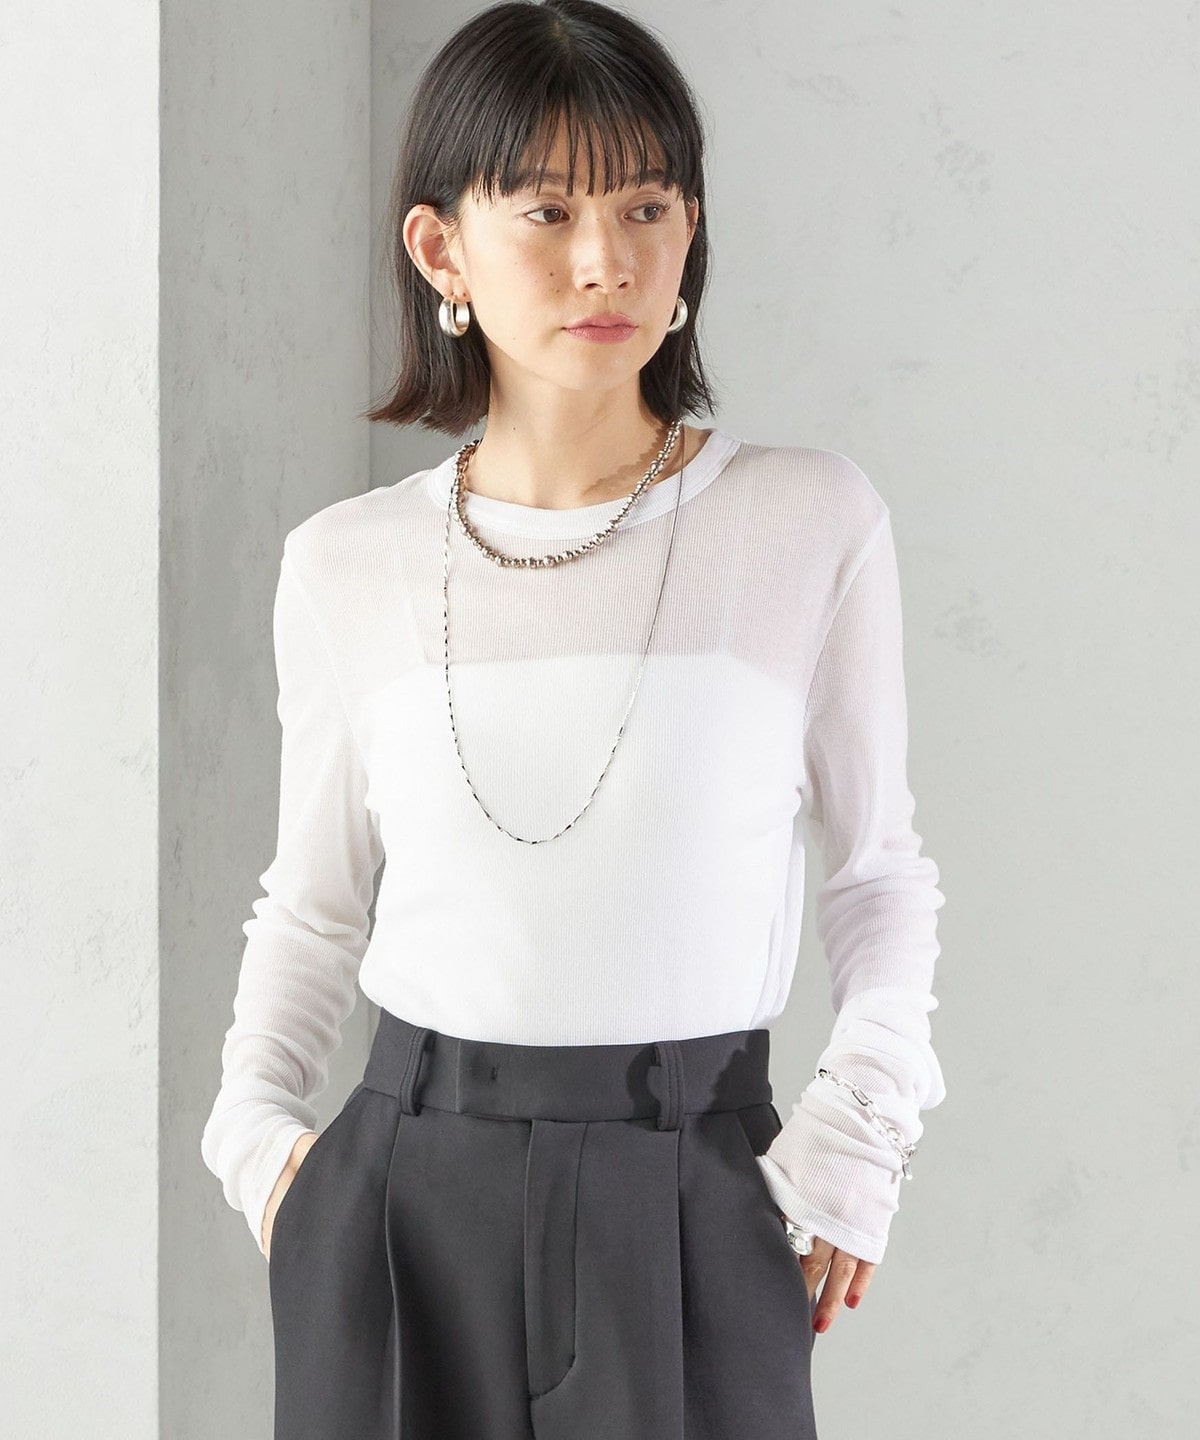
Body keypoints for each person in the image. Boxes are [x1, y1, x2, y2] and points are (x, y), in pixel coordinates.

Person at [200, 2, 947, 1437]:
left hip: (696, 1179)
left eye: (646, 207)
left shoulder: (807, 520)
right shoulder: (345, 563)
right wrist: (255, 1138)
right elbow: (312, 906)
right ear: (443, 251)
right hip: (405, 1197)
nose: (605, 259)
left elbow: (877, 875)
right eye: (546, 210)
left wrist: (860, 1135)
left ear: (690, 231)